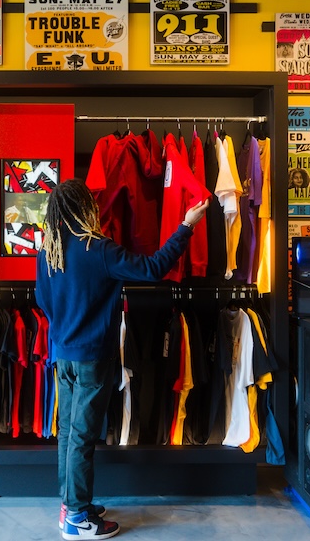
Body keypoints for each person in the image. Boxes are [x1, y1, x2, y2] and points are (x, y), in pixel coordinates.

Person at [35, 178, 208, 540]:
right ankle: (78, 519)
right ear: (86, 209)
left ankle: (70, 504)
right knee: (81, 436)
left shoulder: (49, 250)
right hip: (91, 358)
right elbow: (153, 268)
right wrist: (187, 225)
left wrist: (66, 329)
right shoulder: (97, 250)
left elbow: (44, 301)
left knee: (67, 433)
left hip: (63, 355)